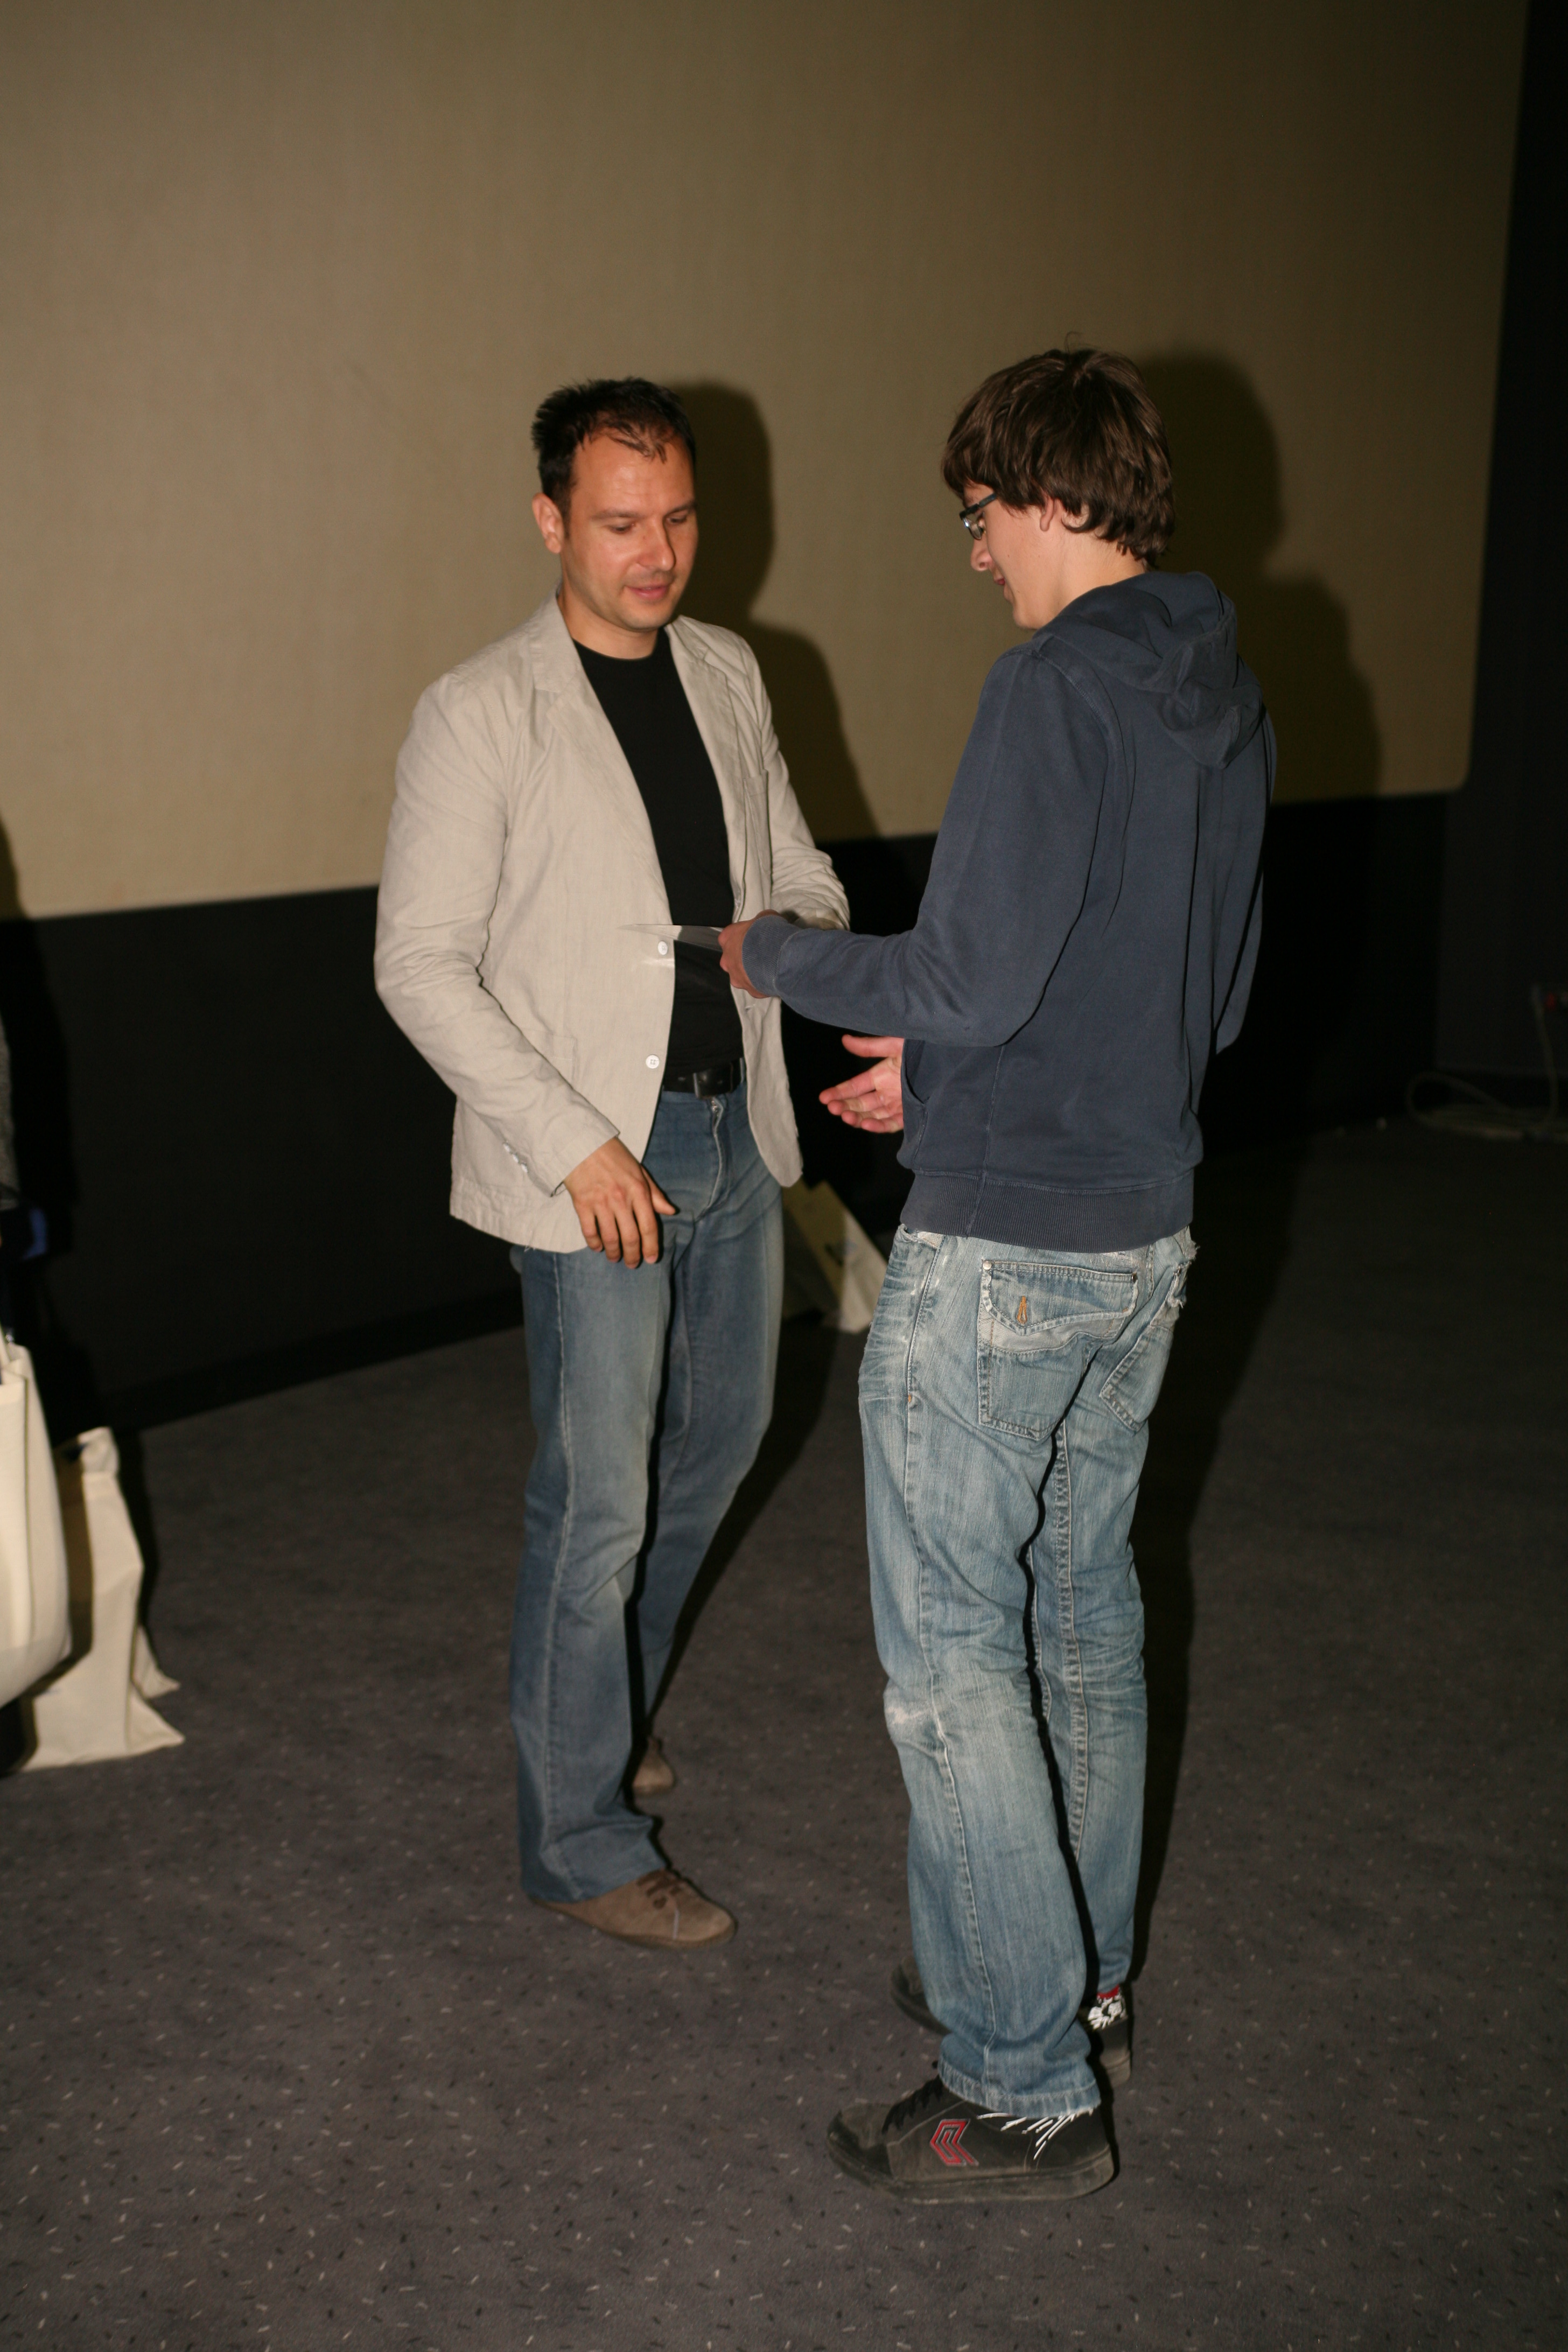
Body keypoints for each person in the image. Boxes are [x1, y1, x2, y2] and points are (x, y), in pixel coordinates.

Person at [720, 348, 1272, 2197]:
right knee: (1084, 1624)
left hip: (1005, 1254)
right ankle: (1067, 1979)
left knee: (953, 1661)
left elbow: (965, 971)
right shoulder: (1219, 685)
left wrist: (776, 955)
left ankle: (1023, 2079)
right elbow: (1199, 1001)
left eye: (980, 518)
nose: (978, 558)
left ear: (1048, 496)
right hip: (1144, 1237)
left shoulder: (1051, 686)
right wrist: (947, 1073)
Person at [376, 379, 848, 1949]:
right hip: (592, 1158)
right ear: (551, 523)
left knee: (721, 1445)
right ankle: (579, 1839)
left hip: (732, 1128)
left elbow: (801, 872)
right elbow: (418, 964)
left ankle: (601, 1707)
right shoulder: (480, 710)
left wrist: (807, 948)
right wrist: (576, 1143)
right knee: (597, 1507)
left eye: (680, 519)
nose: (658, 554)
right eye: (621, 523)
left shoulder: (729, 671)